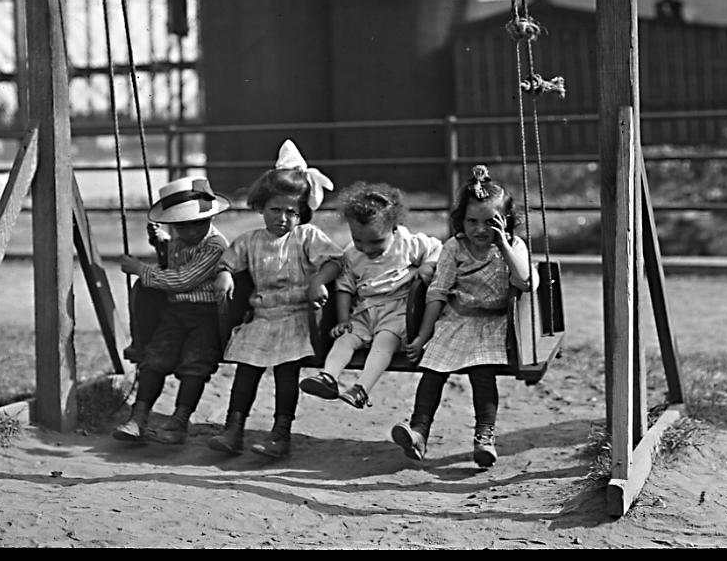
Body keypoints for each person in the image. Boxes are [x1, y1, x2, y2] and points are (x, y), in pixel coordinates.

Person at [389, 164, 537, 469]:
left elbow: (525, 281)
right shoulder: (454, 247)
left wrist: (504, 245)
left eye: (490, 222)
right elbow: (437, 293)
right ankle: (418, 432)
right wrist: (422, 336)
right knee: (432, 373)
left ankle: (485, 437)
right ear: (461, 220)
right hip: (455, 321)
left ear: (506, 222)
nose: (480, 229)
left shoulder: (514, 246)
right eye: (472, 221)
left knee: (482, 376)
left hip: (493, 324)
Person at [207, 140, 344, 460]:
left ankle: (280, 433)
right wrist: (225, 273)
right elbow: (229, 260)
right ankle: (233, 428)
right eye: (275, 210)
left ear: (303, 213)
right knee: (247, 369)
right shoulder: (251, 240)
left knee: (286, 372)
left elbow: (336, 261)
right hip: (263, 316)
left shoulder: (306, 237)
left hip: (298, 316)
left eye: (292, 212)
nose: (283, 218)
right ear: (260, 207)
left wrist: (318, 280)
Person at [299, 182, 441, 409]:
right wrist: (344, 320)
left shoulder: (407, 243)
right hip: (364, 312)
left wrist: (428, 265)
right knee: (344, 340)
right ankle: (328, 377)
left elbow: (437, 247)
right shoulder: (352, 253)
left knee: (383, 342)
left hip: (397, 311)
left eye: (376, 241)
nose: (366, 248)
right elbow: (345, 287)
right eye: (359, 240)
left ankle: (361, 388)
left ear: (394, 228)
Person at [112, 175, 232, 445]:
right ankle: (139, 417)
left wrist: (139, 270)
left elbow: (182, 279)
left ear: (211, 218)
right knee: (155, 359)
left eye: (198, 224)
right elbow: (172, 258)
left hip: (206, 315)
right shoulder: (178, 238)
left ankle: (179, 421)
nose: (190, 233)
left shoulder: (215, 245)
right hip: (175, 312)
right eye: (181, 227)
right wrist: (161, 242)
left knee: (195, 365)